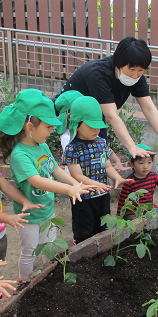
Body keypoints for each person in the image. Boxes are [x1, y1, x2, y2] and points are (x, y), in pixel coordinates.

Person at [0, 89, 93, 279]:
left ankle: (47, 277)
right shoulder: (20, 154)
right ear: (30, 127)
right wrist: (68, 189)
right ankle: (25, 285)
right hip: (29, 215)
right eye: (48, 127)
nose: (51, 132)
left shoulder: (41, 145)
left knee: (49, 245)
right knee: (30, 251)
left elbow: (56, 170)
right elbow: (37, 181)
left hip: (47, 209)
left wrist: (75, 184)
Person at [56, 36, 158, 160]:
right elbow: (112, 116)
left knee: (100, 152)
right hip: (70, 114)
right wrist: (132, 147)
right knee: (81, 156)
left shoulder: (137, 77)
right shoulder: (98, 74)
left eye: (141, 70)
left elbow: (148, 108)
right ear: (118, 62)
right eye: (131, 69)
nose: (135, 75)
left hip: (95, 114)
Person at [62, 96, 134, 244]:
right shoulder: (72, 149)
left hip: (102, 195)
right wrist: (96, 184)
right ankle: (81, 247)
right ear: (77, 124)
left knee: (102, 227)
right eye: (91, 126)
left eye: (98, 125)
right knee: (84, 230)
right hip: (83, 197)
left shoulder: (101, 143)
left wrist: (117, 177)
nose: (97, 130)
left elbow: (107, 166)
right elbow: (76, 175)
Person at [54, 90, 129, 173]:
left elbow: (104, 147)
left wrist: (116, 161)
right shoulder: (68, 138)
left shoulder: (89, 132)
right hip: (77, 181)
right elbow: (75, 163)